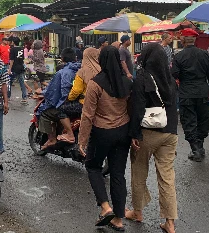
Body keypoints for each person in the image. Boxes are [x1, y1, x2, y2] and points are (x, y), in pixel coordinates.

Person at [78, 46, 133, 231]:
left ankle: (105, 207)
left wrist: (82, 140)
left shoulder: (96, 83)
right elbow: (132, 110)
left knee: (93, 167)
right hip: (123, 132)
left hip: (102, 133)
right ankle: (118, 219)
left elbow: (87, 115)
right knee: (118, 174)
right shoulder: (127, 81)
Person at [126, 43, 179, 233]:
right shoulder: (169, 78)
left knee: (139, 171)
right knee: (167, 177)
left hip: (148, 132)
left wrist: (134, 134)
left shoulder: (142, 78)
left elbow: (138, 108)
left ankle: (137, 211)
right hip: (170, 132)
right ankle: (170, 222)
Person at [171, 28, 209, 162]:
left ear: (182, 40)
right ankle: (199, 147)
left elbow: (174, 75)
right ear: (195, 39)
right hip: (203, 91)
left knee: (189, 121)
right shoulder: (205, 55)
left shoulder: (178, 56)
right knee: (203, 119)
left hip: (186, 93)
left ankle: (196, 149)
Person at [37, 48, 80, 149]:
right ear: (75, 58)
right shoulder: (81, 69)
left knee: (44, 112)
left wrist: (42, 93)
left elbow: (53, 91)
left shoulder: (62, 73)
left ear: (62, 58)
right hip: (82, 103)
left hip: (69, 104)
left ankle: (52, 139)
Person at [8, 37, 28, 105]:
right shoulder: (22, 49)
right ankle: (24, 97)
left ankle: (8, 97)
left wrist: (9, 69)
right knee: (22, 83)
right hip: (21, 67)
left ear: (13, 42)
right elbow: (22, 59)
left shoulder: (12, 49)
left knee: (9, 83)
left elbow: (11, 60)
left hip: (14, 68)